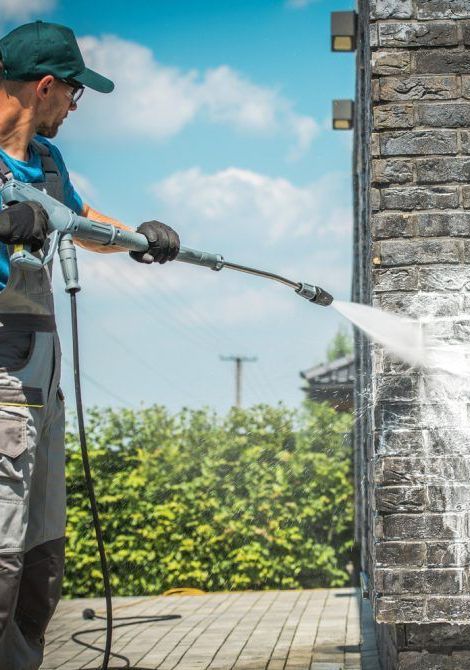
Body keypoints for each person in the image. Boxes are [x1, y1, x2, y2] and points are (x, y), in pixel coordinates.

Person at [0, 21, 180, 669]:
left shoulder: (47, 164)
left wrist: (139, 239)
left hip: (39, 383)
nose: (75, 108)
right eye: (73, 94)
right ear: (44, 87)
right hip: (0, 384)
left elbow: (79, 219)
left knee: (40, 555)